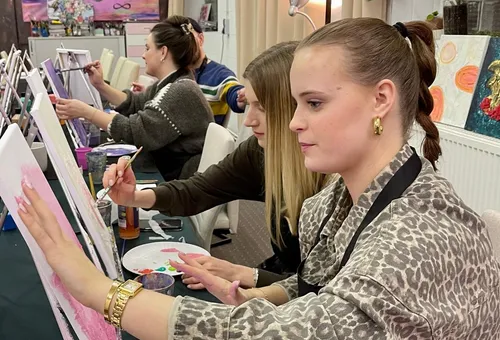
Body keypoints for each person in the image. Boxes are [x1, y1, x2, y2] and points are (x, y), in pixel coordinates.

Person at [18, 19, 500, 340]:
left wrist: (100, 292)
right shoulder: (345, 195)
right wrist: (257, 288)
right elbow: (322, 286)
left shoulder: (414, 237)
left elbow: (286, 335)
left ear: (381, 100)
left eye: (313, 104)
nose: (291, 122)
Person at [104, 41, 327, 288]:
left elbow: (330, 295)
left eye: (261, 108)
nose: (248, 121)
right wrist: (133, 197)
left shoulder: (334, 178)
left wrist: (246, 275)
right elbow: (198, 190)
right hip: (285, 282)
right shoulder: (260, 152)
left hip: (308, 302)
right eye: (249, 105)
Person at [55, 16, 214, 181]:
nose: (143, 55)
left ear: (163, 52)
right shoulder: (173, 82)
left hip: (182, 182)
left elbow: (136, 131)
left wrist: (88, 112)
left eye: (147, 48)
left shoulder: (181, 90)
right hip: (172, 170)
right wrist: (100, 85)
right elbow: (136, 103)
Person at [133, 17, 247, 126]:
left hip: (197, 143)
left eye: (189, 40)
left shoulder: (219, 74)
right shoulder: (176, 73)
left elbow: (234, 94)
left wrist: (241, 96)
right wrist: (150, 95)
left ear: (200, 39)